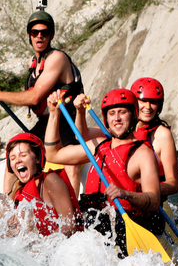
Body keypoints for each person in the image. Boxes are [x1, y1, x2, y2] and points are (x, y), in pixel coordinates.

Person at [43, 88, 163, 253]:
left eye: (122, 112)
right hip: (92, 224)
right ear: (106, 119)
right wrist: (54, 113)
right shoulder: (97, 145)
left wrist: (125, 194)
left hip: (125, 227)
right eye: (112, 113)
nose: (117, 118)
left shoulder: (143, 153)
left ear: (133, 115)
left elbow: (154, 201)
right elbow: (52, 154)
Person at [0, 6, 86, 195]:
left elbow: (34, 97)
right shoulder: (34, 64)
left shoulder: (56, 58)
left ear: (50, 36)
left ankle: (73, 213)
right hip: (46, 122)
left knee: (70, 165)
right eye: (35, 32)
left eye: (44, 33)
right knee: (14, 153)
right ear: (29, 35)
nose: (39, 37)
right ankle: (9, 205)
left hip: (67, 120)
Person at [4, 132, 80, 237]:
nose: (17, 160)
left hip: (62, 248)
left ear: (37, 159)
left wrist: (41, 246)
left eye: (23, 155)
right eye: (12, 158)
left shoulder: (51, 181)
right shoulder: (19, 192)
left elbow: (70, 226)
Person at [130, 77, 178, 201]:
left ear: (159, 105)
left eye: (153, 102)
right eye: (143, 101)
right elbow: (84, 134)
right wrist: (81, 111)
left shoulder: (162, 134)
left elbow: (173, 183)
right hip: (124, 199)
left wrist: (146, 190)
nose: (148, 107)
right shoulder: (121, 129)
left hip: (150, 204)